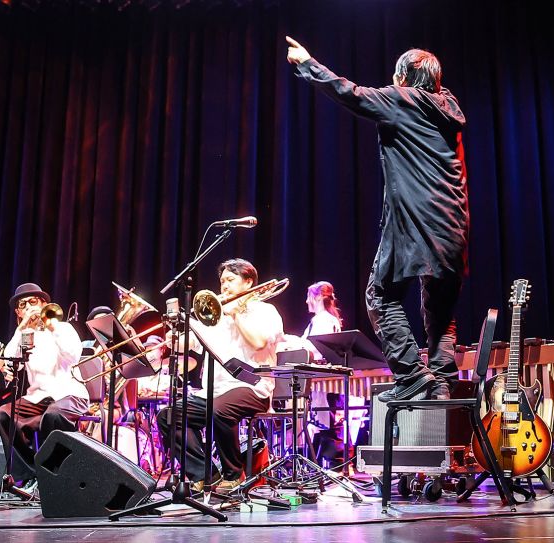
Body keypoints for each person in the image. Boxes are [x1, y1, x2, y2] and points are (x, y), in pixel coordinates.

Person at [287, 37, 469, 401]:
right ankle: (444, 384)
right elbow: (428, 82)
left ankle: (414, 377)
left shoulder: (404, 100)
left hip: (416, 223)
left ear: (403, 78)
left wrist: (307, 63)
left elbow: (350, 93)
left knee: (380, 295)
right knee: (440, 312)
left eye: (396, 75)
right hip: (455, 229)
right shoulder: (449, 106)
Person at [157, 258, 284, 491]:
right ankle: (204, 473)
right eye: (222, 280)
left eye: (230, 280)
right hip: (213, 392)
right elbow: (189, 344)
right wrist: (174, 337)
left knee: (220, 410)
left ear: (248, 282)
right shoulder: (215, 315)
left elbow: (258, 342)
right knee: (168, 415)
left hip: (253, 388)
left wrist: (236, 315)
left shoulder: (265, 311)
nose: (224, 286)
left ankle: (233, 474)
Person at [0, 283, 87, 489]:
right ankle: (31, 474)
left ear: (45, 304)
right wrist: (21, 329)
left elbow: (73, 356)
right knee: (3, 415)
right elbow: (10, 361)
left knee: (53, 416)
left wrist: (51, 325)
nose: (28, 307)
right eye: (23, 304)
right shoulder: (24, 336)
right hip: (37, 397)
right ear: (18, 312)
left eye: (33, 302)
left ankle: (54, 477)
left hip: (70, 393)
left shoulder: (63, 328)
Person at [301, 280, 343, 360]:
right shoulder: (325, 318)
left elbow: (315, 347)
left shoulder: (324, 320)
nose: (307, 301)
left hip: (318, 370)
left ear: (319, 296)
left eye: (309, 296)